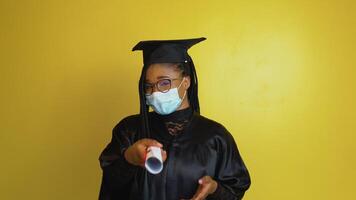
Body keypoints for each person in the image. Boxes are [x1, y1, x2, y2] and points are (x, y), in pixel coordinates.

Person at [98, 37, 251, 200]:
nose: (155, 92)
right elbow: (111, 185)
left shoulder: (215, 136)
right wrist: (129, 159)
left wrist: (214, 189)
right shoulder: (129, 130)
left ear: (186, 82)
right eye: (148, 86)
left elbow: (234, 193)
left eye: (164, 83)